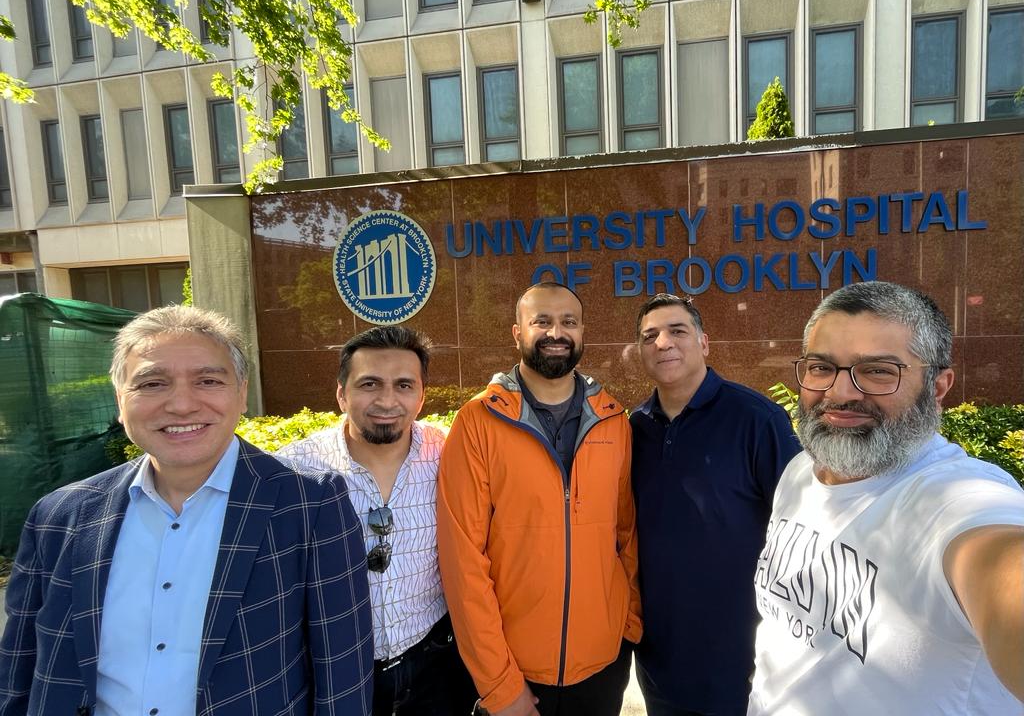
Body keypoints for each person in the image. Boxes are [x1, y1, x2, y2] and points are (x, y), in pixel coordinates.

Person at [0, 306, 373, 716]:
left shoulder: (308, 503)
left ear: (241, 393)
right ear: (120, 400)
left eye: (208, 381)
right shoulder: (58, 517)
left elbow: (342, 665)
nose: (181, 405)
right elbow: (18, 669)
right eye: (152, 383)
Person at [748, 281, 1024, 715]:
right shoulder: (800, 470)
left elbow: (1001, 567)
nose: (840, 393)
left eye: (878, 371)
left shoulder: (957, 500)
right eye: (821, 367)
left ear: (937, 387)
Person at [437, 281, 642, 716]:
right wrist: (499, 684)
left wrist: (627, 626)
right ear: (518, 333)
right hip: (516, 672)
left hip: (603, 667)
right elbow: (462, 563)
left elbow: (626, 536)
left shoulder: (614, 421)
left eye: (568, 322)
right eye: (542, 321)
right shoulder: (477, 422)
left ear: (582, 332)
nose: (556, 333)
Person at [277, 325, 476, 716]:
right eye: (369, 384)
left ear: (421, 396)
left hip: (434, 665)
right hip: (334, 673)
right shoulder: (295, 469)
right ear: (341, 394)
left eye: (404, 385)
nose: (387, 400)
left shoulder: (451, 453)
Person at [630, 294, 800, 716]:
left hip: (741, 657)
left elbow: (801, 526)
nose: (663, 343)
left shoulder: (757, 419)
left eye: (677, 330)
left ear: (704, 343)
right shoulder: (633, 428)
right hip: (659, 657)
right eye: (650, 336)